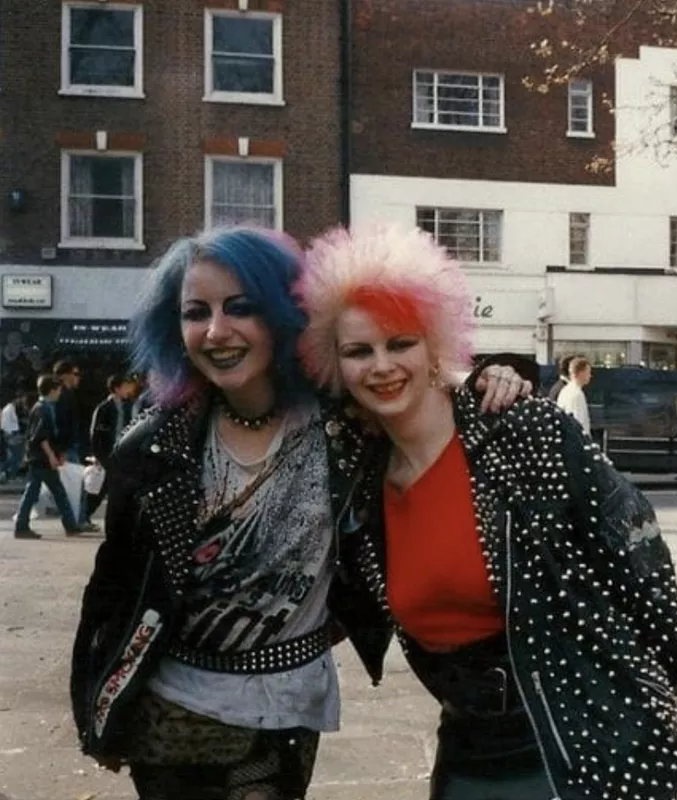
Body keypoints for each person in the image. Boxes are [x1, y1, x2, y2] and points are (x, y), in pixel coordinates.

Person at [69, 225, 526, 800]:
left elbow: (413, 378)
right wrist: (97, 707)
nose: (216, 331)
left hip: (288, 707)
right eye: (195, 313)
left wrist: (489, 373)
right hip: (172, 712)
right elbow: (112, 589)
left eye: (241, 307)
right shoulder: (153, 447)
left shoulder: (347, 421)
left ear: (286, 314)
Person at [295, 224, 677, 800]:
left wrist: (655, 708)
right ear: (335, 364)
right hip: (467, 751)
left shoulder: (520, 430)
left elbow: (642, 560)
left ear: (435, 344)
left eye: (400, 342)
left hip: (582, 739)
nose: (381, 366)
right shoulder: (357, 478)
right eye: (359, 350)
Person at [12, 375, 92, 540]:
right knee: (43, 492)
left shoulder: (43, 407)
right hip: (40, 458)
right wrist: (51, 456)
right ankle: (24, 526)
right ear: (52, 390)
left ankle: (67, 525)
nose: (60, 394)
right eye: (58, 390)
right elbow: (41, 437)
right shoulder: (43, 409)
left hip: (40, 457)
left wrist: (56, 454)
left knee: (47, 491)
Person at [84, 374, 136, 527]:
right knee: (100, 489)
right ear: (117, 388)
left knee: (115, 489)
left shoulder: (128, 406)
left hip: (122, 454)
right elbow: (96, 434)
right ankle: (84, 516)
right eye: (126, 386)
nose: (129, 389)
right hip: (108, 454)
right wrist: (99, 455)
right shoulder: (104, 408)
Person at [556, 355, 592, 436]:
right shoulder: (576, 394)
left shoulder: (566, 391)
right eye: (588, 372)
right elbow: (578, 422)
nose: (590, 376)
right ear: (581, 373)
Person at [1, 388, 27, 481]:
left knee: (15, 456)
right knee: (17, 456)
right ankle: (8, 473)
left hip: (10, 434)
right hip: (11, 434)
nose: (23, 401)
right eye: (22, 399)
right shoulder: (10, 409)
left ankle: (8, 473)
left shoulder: (9, 408)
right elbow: (7, 424)